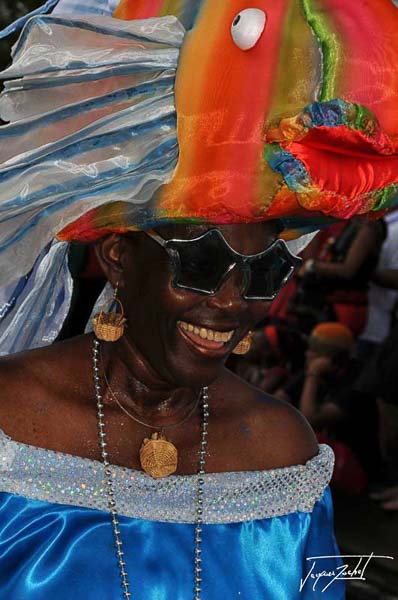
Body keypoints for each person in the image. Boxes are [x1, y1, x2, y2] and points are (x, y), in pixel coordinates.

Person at [1, 0, 398, 598]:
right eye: (203, 261)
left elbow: (321, 578)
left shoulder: (283, 447)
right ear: (117, 256)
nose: (233, 300)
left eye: (265, 270)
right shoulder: (10, 420)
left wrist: (364, 573)